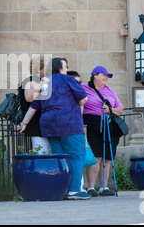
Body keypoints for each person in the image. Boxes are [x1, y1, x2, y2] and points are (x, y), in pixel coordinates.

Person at [18, 57, 90, 200]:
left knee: (59, 158)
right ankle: (74, 191)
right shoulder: (68, 80)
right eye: (66, 66)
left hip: (49, 126)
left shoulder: (45, 82)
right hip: (69, 124)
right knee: (76, 156)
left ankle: (61, 190)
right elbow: (83, 99)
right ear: (59, 68)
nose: (67, 69)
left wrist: (24, 123)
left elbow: (34, 106)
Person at [82, 66, 124, 196]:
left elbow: (120, 109)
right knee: (96, 156)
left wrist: (110, 110)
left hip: (108, 124)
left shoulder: (110, 91)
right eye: (104, 75)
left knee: (107, 157)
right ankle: (90, 188)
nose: (106, 78)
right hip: (91, 123)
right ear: (94, 75)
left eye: (108, 76)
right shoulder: (84, 87)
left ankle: (104, 188)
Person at [18, 57, 51, 154]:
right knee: (42, 154)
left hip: (40, 125)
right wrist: (42, 84)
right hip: (35, 125)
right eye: (46, 67)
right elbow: (30, 98)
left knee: (47, 153)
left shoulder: (37, 80)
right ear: (39, 68)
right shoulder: (31, 81)